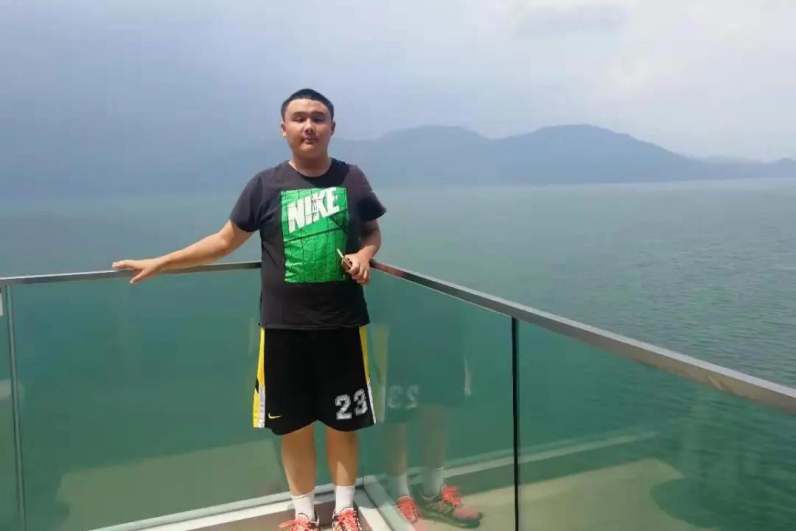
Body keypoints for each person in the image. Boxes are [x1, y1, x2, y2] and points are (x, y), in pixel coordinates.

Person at [113, 88, 385, 531]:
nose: (309, 126)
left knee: (344, 424)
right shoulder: (264, 185)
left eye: (318, 118)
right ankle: (303, 515)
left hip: (343, 325)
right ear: (284, 129)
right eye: (299, 118)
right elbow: (224, 242)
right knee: (293, 426)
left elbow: (372, 232)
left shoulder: (351, 179)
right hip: (283, 329)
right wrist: (162, 262)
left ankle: (344, 512)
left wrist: (365, 255)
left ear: (333, 127)